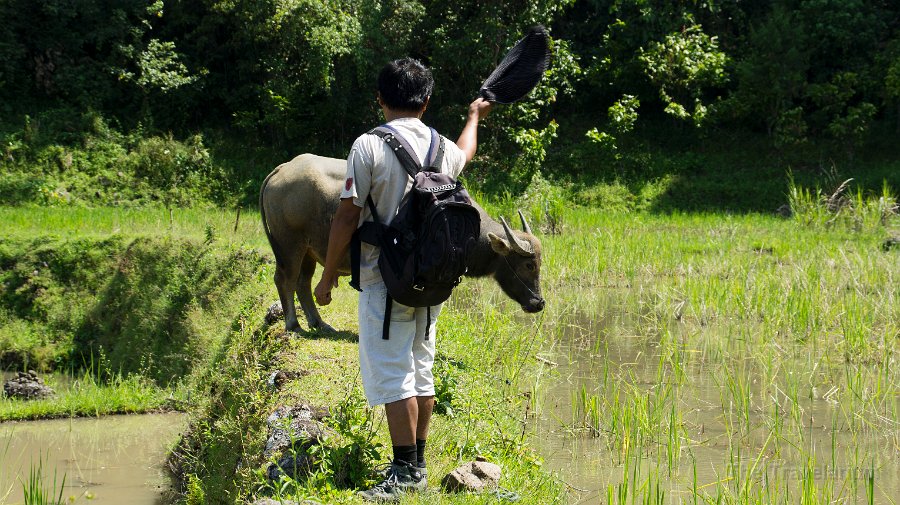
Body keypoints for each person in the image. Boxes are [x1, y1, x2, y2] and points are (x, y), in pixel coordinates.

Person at [313, 57, 492, 501]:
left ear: (380, 99)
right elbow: (466, 152)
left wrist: (327, 275)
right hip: (431, 278)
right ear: (426, 102)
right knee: (420, 369)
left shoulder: (368, 147)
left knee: (394, 374)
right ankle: (419, 462)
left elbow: (347, 217)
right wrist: (473, 117)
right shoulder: (442, 147)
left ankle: (405, 471)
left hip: (383, 278)